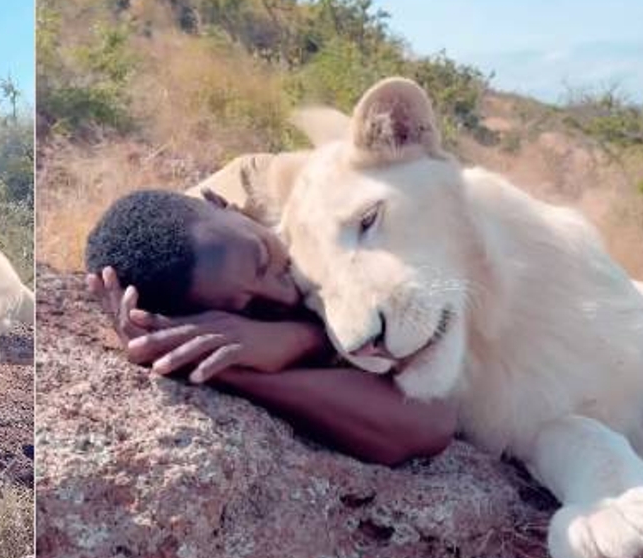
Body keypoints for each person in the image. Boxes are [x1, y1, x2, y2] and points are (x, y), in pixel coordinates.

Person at [85, 189, 455, 465]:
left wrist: (296, 340)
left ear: (222, 201)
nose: (284, 295)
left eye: (263, 258)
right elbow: (425, 423)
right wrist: (222, 370)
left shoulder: (343, 217)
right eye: (248, 307)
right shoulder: (220, 283)